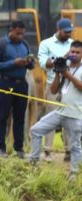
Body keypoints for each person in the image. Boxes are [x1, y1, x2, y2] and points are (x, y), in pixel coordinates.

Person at [28, 40, 82, 181]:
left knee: (75, 145)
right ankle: (33, 163)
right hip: (60, 111)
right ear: (68, 52)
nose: (74, 54)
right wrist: (58, 73)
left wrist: (67, 74)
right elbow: (53, 90)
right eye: (72, 51)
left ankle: (74, 173)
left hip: (76, 114)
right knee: (36, 130)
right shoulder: (65, 66)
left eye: (77, 52)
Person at [0, 20, 34, 158]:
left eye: (22, 34)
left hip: (21, 84)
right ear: (11, 30)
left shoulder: (25, 45)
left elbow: (31, 66)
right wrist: (13, 63)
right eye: (18, 34)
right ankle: (1, 148)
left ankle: (19, 148)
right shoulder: (0, 45)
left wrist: (29, 63)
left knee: (20, 117)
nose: (20, 36)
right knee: (3, 116)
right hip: (6, 83)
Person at [38, 19, 74, 162]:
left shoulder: (73, 44)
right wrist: (56, 61)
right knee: (51, 118)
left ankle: (69, 151)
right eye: (66, 32)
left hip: (70, 85)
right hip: (53, 85)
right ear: (58, 29)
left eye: (70, 32)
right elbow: (42, 64)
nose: (68, 34)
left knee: (69, 118)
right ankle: (47, 151)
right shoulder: (46, 44)